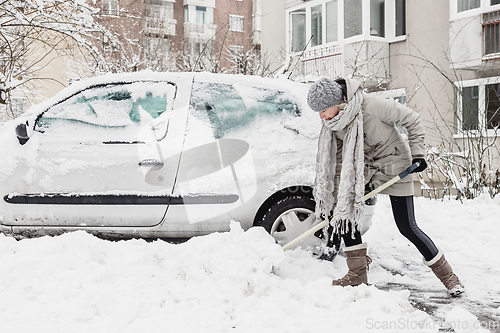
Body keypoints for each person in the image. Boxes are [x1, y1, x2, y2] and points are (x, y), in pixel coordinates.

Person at [307, 77, 465, 297]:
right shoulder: (335, 123)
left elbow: (413, 119)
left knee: (407, 226)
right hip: (363, 168)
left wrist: (418, 154)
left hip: (394, 165)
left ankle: (449, 277)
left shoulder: (373, 105)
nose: (321, 116)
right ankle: (357, 274)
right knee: (347, 212)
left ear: (337, 101)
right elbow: (340, 159)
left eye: (323, 110)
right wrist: (337, 194)